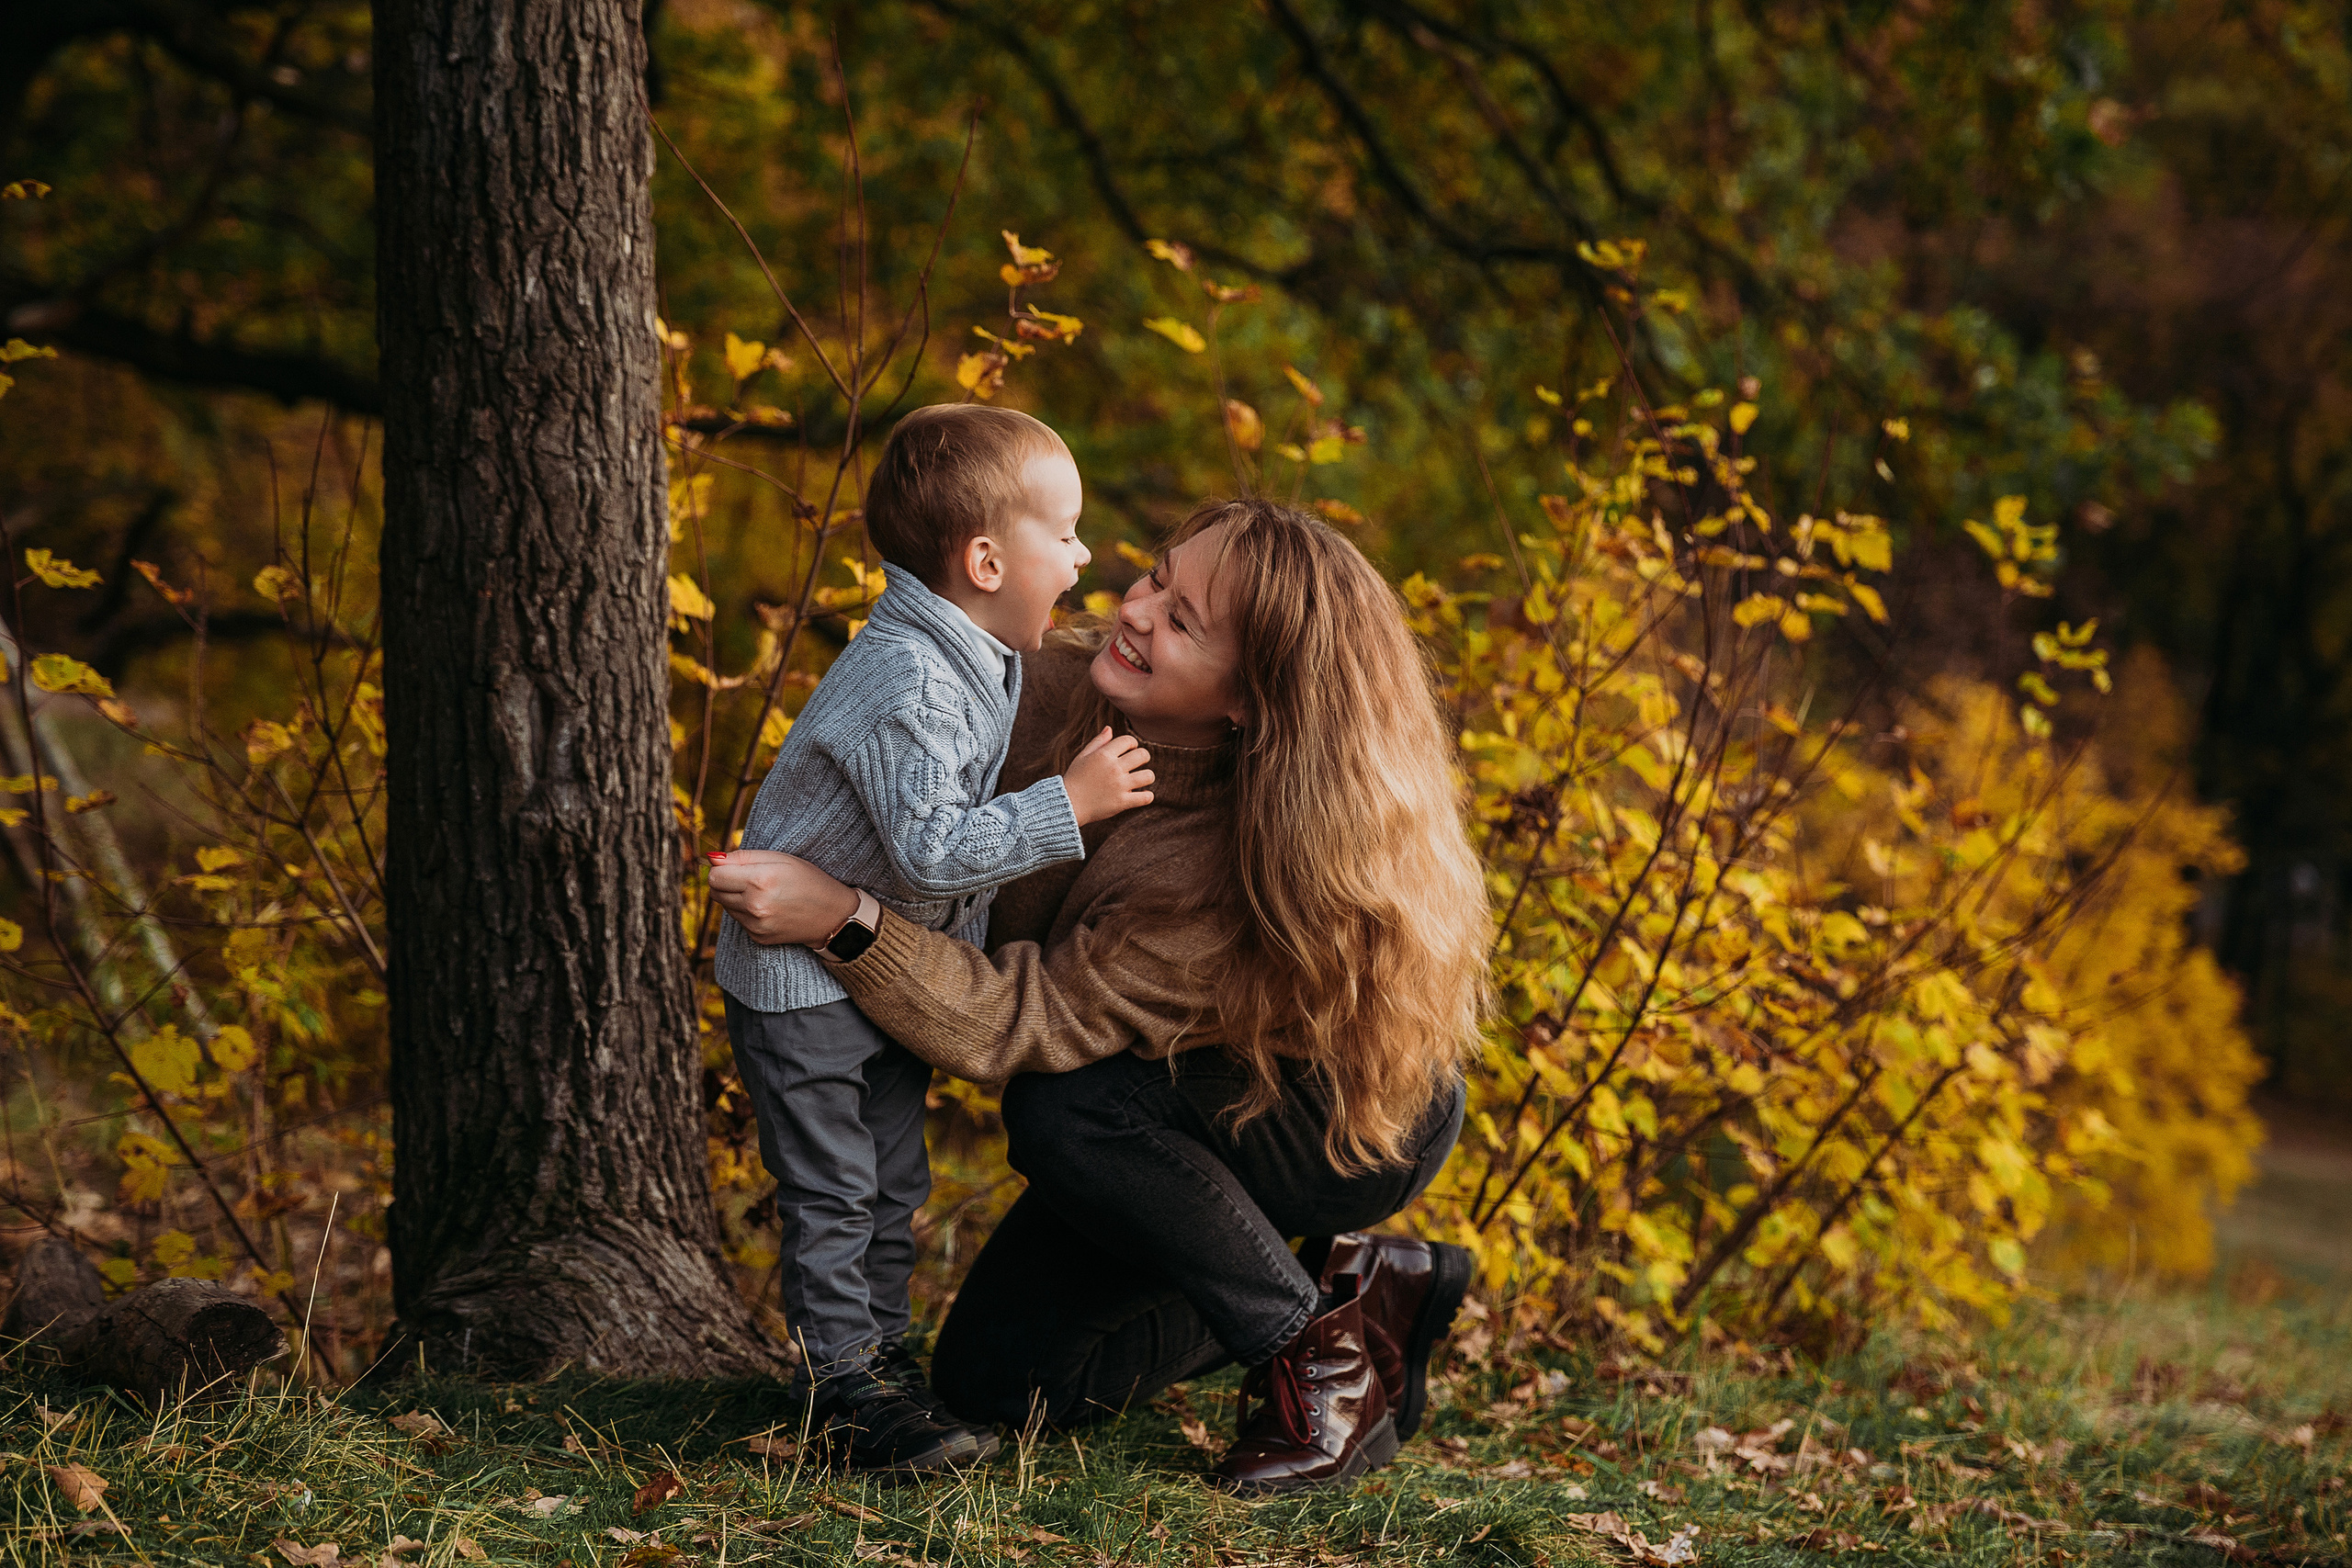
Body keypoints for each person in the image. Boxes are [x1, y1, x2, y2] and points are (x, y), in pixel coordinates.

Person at [710, 497, 1491, 1495]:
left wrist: (842, 919)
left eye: (1182, 619)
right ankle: (1362, 1294)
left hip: (1332, 1123)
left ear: (1249, 700)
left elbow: (1020, 1022)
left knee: (1066, 1109)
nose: (1135, 609)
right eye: (1157, 575)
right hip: (1161, 1113)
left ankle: (1314, 1361)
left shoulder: (1225, 860)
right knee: (1001, 1381)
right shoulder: (1043, 690)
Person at [711, 404, 1155, 1474]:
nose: (1088, 555)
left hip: (869, 968)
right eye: (1069, 532)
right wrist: (1070, 802)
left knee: (893, 1180)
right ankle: (843, 1388)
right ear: (988, 558)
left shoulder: (981, 648)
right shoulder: (908, 678)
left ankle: (878, 1358)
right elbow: (926, 853)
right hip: (801, 978)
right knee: (835, 1186)